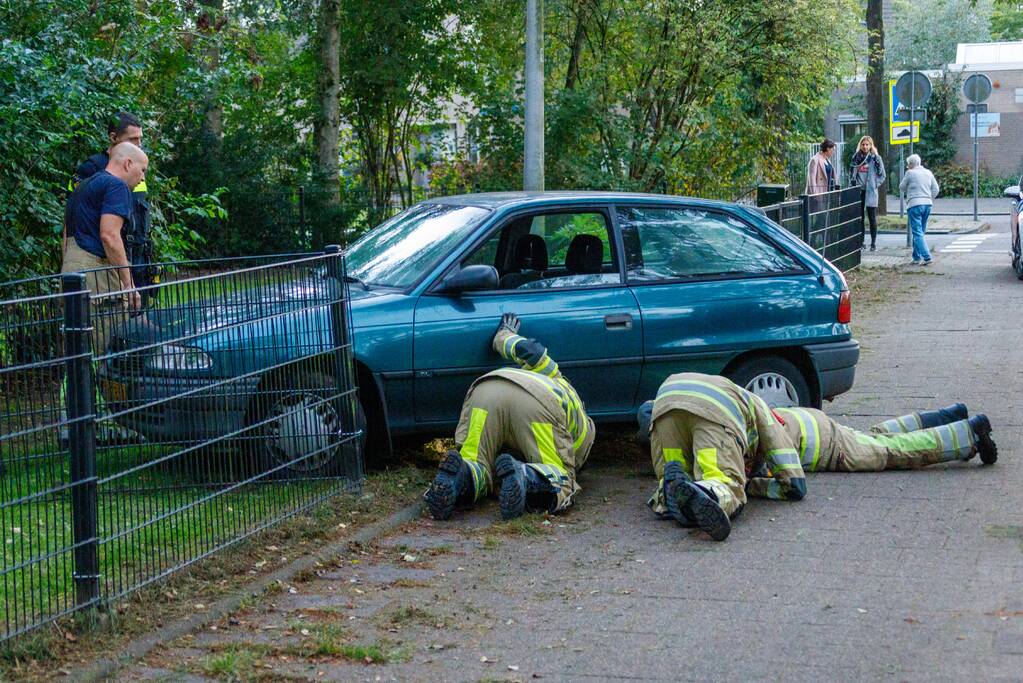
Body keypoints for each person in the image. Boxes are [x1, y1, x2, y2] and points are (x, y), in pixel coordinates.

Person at [425, 313, 595, 521]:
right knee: (561, 478)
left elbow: (530, 350)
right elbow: (568, 460)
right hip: (537, 406)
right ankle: (525, 476)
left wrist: (504, 334)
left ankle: (460, 475)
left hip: (487, 390)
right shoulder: (583, 431)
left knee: (476, 460)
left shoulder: (553, 372)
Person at [637, 373, 806, 542]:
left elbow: (645, 410)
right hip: (714, 410)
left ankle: (669, 497)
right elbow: (793, 480)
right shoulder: (764, 410)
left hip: (665, 401)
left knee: (684, 474)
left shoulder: (737, 393)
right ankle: (710, 494)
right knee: (721, 480)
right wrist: (787, 485)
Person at [770, 402, 997, 477]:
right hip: (809, 421)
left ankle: (970, 432)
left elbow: (794, 486)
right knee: (875, 436)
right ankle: (948, 416)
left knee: (892, 450)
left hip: (826, 447)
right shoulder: (738, 404)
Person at [67, 111, 155, 299]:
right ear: (113, 138)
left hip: (130, 256)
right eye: (133, 140)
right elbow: (106, 233)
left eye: (140, 140)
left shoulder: (128, 175)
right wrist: (127, 281)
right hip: (101, 260)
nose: (139, 145)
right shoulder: (100, 175)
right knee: (106, 325)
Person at [62, 141, 149, 314]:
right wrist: (128, 283)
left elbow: (65, 235)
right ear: (128, 164)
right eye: (143, 170)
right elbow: (109, 235)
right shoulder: (116, 186)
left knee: (75, 336)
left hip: (71, 272)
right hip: (95, 274)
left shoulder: (84, 186)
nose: (142, 178)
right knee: (106, 337)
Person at [899, 153, 940, 266]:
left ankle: (927, 257)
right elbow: (936, 189)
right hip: (927, 205)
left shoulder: (909, 173)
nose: (907, 166)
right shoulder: (928, 172)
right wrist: (928, 198)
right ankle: (916, 258)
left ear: (911, 164)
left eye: (908, 164)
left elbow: (901, 187)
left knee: (917, 233)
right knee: (921, 232)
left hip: (914, 205)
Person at [850, 135, 886, 251]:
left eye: (867, 144)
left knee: (872, 218)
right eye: (863, 144)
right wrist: (853, 185)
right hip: (859, 191)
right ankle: (861, 242)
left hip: (871, 191)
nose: (865, 147)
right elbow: (851, 174)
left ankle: (873, 243)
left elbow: (882, 175)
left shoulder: (875, 158)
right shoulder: (855, 158)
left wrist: (875, 184)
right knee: (859, 218)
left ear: (871, 145)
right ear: (860, 145)